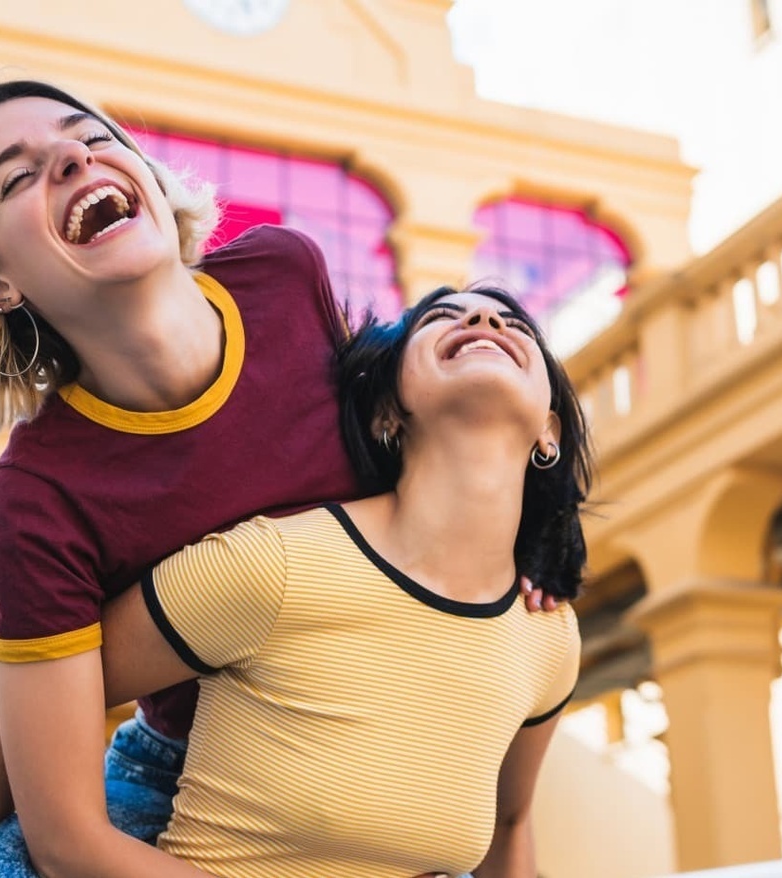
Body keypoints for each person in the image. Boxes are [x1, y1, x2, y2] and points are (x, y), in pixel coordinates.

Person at [0, 81, 560, 878]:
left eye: (91, 137)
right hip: (170, 785)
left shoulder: (285, 277)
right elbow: (57, 818)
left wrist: (527, 542)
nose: (73, 156)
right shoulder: (38, 499)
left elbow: (428, 434)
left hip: (359, 751)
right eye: (17, 176)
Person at [90, 284, 588, 878]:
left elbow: (508, 831)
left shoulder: (548, 638)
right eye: (441, 318)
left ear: (548, 430)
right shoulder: (272, 565)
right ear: (387, 411)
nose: (484, 318)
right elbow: (8, 696)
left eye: (515, 324)